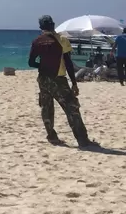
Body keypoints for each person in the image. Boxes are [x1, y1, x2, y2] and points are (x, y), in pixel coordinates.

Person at [28, 15, 97, 148]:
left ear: (41, 27)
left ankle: (52, 137)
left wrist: (42, 66)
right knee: (72, 109)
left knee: (46, 108)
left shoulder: (37, 41)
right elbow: (68, 63)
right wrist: (74, 83)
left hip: (43, 79)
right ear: (53, 25)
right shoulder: (62, 40)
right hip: (58, 79)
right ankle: (82, 140)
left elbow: (31, 62)